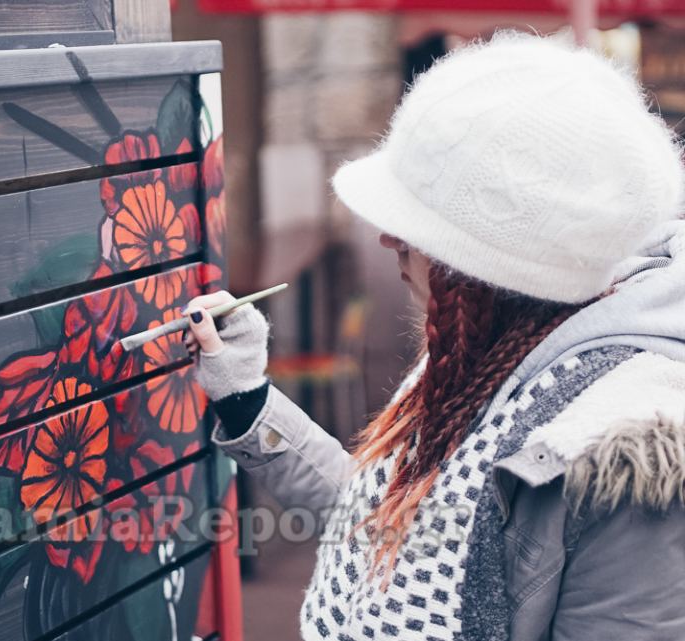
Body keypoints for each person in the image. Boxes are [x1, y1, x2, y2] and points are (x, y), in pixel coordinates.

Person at [182, 30, 685, 641]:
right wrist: (246, 397)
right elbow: (384, 527)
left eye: (421, 223)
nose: (388, 238)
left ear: (495, 263)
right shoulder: (497, 349)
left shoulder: (629, 461)